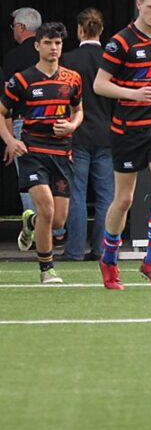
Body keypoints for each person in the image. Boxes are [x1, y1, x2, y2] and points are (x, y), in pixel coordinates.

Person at [93, 0, 151, 291]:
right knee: (124, 199)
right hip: (127, 130)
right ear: (139, 5)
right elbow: (100, 85)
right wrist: (134, 94)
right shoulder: (121, 43)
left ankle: (150, 262)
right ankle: (109, 259)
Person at [0, 22, 83, 284]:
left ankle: (31, 222)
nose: (53, 48)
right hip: (32, 151)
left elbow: (78, 110)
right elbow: (2, 112)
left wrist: (72, 125)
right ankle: (47, 269)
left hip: (62, 153)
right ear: (37, 46)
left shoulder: (72, 78)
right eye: (48, 43)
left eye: (57, 43)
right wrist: (10, 140)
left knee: (58, 219)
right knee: (47, 208)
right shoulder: (22, 79)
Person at [57, 8, 114, 262]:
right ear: (101, 30)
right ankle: (103, 248)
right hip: (107, 134)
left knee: (76, 193)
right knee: (106, 195)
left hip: (76, 133)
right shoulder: (110, 60)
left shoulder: (67, 60)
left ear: (80, 30)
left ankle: (75, 249)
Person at [3, 7, 43, 217]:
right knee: (52, 175)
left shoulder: (12, 58)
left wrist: (9, 137)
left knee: (28, 178)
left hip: (23, 123)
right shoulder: (49, 54)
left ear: (21, 27)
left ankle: (33, 226)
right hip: (52, 122)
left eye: (13, 27)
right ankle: (56, 228)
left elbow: (7, 102)